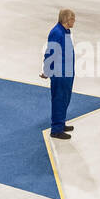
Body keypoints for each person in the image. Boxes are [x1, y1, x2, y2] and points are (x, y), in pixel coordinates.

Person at [40, 8, 77, 139]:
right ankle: (56, 129)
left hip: (67, 72)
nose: (74, 21)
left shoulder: (65, 31)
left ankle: (61, 123)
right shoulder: (57, 33)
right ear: (67, 20)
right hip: (60, 74)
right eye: (73, 19)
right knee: (59, 100)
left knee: (65, 98)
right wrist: (46, 70)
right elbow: (50, 53)